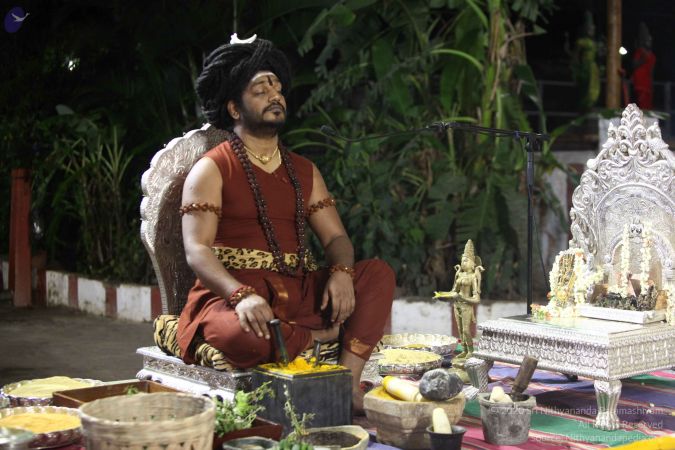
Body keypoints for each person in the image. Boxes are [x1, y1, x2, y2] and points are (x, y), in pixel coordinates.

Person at [176, 34, 395, 413]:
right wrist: (240, 296)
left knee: (377, 275)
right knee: (239, 335)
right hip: (236, 295)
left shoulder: (304, 170)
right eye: (260, 90)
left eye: (277, 88)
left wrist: (342, 272)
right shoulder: (212, 168)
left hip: (298, 289)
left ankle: (346, 383)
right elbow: (197, 250)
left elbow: (336, 237)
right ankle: (317, 338)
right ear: (234, 108)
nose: (274, 95)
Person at [433, 240, 484, 361]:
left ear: (473, 263)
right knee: (460, 331)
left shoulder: (473, 277)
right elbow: (454, 291)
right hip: (457, 305)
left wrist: (462, 298)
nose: (463, 263)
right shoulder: (460, 275)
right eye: (462, 260)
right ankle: (464, 350)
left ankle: (471, 351)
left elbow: (476, 299)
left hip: (466, 306)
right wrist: (441, 294)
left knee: (466, 330)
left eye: (466, 260)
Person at [631, 22, 655, 110]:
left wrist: (651, 84)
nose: (649, 40)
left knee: (647, 106)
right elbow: (634, 64)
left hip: (648, 84)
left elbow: (652, 71)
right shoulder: (640, 51)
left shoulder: (652, 55)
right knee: (641, 106)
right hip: (640, 83)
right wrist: (643, 60)